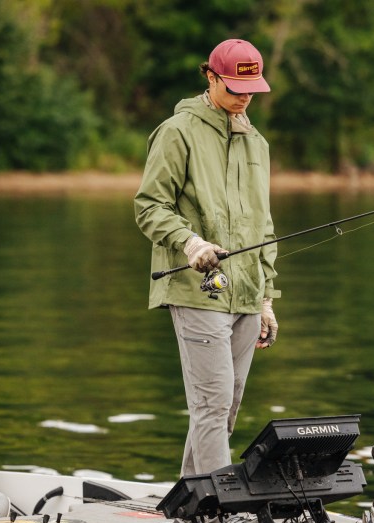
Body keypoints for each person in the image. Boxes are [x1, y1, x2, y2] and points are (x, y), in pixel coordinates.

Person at [134, 38, 279, 480]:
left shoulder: (257, 144)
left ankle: (190, 504)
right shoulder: (177, 132)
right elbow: (149, 206)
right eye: (235, 87)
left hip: (247, 294)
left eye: (252, 88)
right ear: (211, 77)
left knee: (225, 406)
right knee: (212, 403)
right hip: (198, 291)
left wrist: (267, 297)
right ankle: (220, 508)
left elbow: (264, 225)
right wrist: (190, 243)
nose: (245, 96)